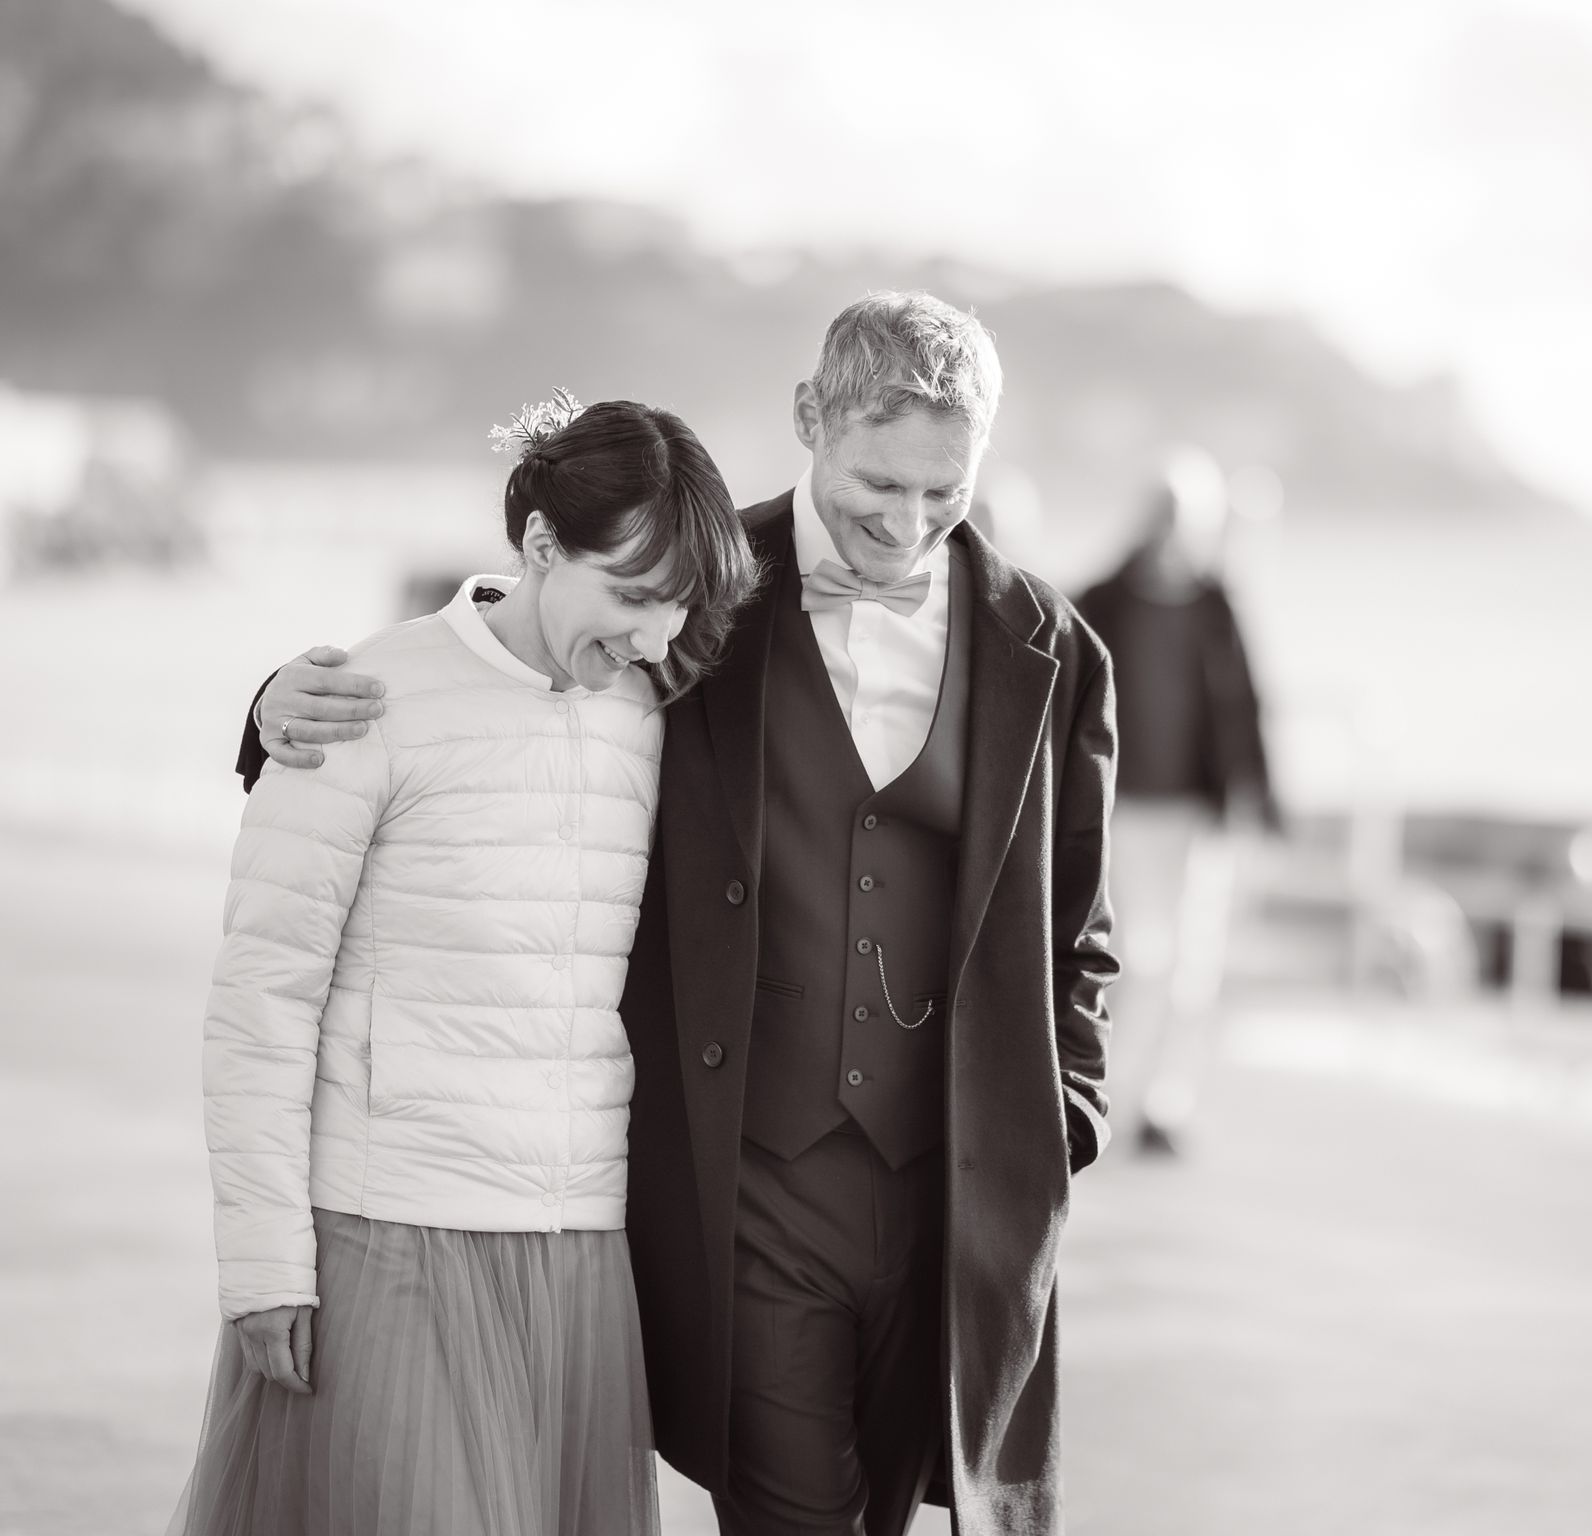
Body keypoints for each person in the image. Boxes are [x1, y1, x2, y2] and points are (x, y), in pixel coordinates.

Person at [239, 293, 1120, 1536]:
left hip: (958, 1191)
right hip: (750, 1180)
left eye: (946, 494)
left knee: (912, 1508)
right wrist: (279, 704)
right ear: (809, 417)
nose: (908, 525)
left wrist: (1065, 1117)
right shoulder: (710, 589)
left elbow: (1079, 928)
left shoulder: (1056, 649)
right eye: (880, 482)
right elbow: (522, 661)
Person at [173, 397, 758, 1536]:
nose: (653, 634)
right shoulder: (364, 704)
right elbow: (261, 1001)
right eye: (633, 596)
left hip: (579, 1256)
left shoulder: (655, 711)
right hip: (386, 1242)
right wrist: (261, 1265)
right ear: (541, 546)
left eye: (678, 604)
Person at [1076, 448, 1280, 1157]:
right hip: (1121, 808)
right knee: (1135, 958)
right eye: (1162, 514)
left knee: (1193, 964)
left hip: (1199, 812)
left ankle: (1164, 1103)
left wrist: (1259, 796)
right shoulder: (1100, 600)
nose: (1171, 530)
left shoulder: (1216, 601)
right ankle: (1111, 1094)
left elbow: (1244, 705)